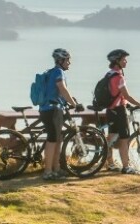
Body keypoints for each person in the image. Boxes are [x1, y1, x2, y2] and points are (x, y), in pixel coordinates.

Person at [104, 49, 140, 174]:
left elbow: (115, 94)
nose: (126, 61)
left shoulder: (109, 74)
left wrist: (126, 103)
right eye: (123, 59)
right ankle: (126, 167)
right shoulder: (119, 77)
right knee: (124, 139)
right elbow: (127, 96)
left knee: (111, 138)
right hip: (119, 111)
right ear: (117, 61)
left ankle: (110, 163)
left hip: (110, 110)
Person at [41, 48, 79, 180]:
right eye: (67, 60)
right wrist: (75, 104)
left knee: (57, 139)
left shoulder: (51, 72)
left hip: (48, 109)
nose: (69, 62)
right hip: (53, 110)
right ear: (61, 60)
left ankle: (56, 168)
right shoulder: (58, 72)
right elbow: (62, 88)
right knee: (52, 140)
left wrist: (69, 100)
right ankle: (47, 171)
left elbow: (57, 92)